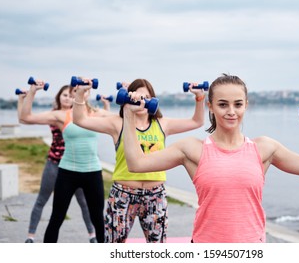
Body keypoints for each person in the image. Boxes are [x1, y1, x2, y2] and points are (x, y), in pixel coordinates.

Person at [122, 73, 299, 243]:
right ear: (210, 106)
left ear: (246, 105)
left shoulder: (264, 148)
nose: (231, 112)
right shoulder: (192, 149)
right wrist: (129, 116)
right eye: (223, 105)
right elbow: (136, 163)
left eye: (237, 104)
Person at [72, 78, 205, 243]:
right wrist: (79, 94)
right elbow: (80, 120)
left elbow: (197, 121)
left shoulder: (162, 124)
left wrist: (200, 97)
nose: (142, 101)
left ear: (153, 100)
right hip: (123, 193)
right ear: (128, 98)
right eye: (137, 97)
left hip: (155, 195)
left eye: (146, 97)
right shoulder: (117, 123)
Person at [19, 78, 112, 243]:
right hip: (68, 171)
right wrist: (32, 91)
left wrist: (129, 95)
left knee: (98, 219)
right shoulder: (62, 115)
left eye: (85, 90)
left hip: (93, 172)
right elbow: (25, 117)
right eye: (77, 90)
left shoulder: (97, 113)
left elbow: (124, 118)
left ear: (89, 93)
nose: (81, 92)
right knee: (57, 217)